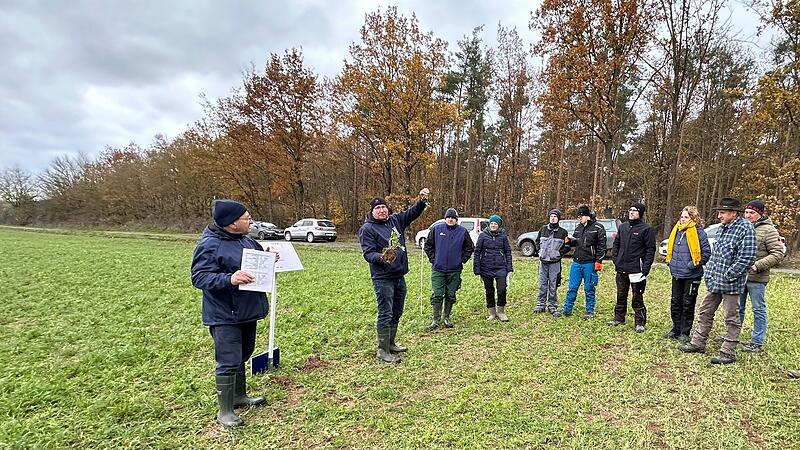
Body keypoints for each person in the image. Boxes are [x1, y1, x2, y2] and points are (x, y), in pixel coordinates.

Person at [191, 199, 279, 427]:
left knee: (243, 353)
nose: (250, 220)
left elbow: (257, 257)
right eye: (246, 217)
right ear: (231, 223)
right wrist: (229, 278)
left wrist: (268, 256)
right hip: (225, 313)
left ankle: (239, 396)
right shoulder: (209, 245)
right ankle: (225, 412)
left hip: (247, 309)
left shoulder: (246, 239)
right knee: (228, 360)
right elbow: (199, 277)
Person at [679, 197, 756, 365]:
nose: (719, 216)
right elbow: (715, 256)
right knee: (705, 312)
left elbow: (747, 257)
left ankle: (728, 352)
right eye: (719, 212)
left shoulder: (746, 228)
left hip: (731, 283)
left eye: (722, 212)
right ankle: (698, 343)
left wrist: (729, 275)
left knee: (731, 318)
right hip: (714, 281)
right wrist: (710, 274)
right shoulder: (721, 229)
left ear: (733, 213)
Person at [359, 188, 430, 364]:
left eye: (384, 207)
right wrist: (381, 257)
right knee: (385, 312)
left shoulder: (396, 220)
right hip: (382, 278)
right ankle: (382, 350)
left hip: (399, 276)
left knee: (397, 311)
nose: (382, 210)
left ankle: (391, 343)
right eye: (378, 208)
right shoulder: (367, 229)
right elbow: (368, 253)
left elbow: (412, 213)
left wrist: (421, 201)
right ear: (372, 211)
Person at [738, 200, 785, 353]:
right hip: (740, 276)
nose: (748, 215)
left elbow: (778, 254)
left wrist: (757, 266)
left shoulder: (769, 230)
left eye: (752, 213)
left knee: (758, 309)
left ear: (760, 213)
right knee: (737, 308)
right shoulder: (742, 228)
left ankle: (757, 342)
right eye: (746, 212)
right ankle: (733, 335)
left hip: (757, 278)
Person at [663, 206, 711, 342]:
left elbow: (706, 253)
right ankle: (675, 328)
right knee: (675, 301)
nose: (683, 219)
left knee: (688, 302)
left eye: (686, 217)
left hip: (692, 274)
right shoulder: (677, 231)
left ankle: (685, 331)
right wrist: (671, 262)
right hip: (676, 273)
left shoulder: (699, 233)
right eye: (682, 217)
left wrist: (693, 264)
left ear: (693, 218)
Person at [608, 202, 656, 332]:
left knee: (637, 296)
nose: (631, 212)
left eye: (634, 210)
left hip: (637, 270)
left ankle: (639, 322)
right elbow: (616, 244)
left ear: (640, 213)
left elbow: (650, 250)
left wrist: (646, 268)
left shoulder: (646, 229)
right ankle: (619, 318)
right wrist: (616, 259)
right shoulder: (623, 227)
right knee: (621, 294)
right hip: (622, 268)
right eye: (630, 210)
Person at [424, 208, 475, 330]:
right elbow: (428, 245)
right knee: (437, 294)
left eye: (453, 218)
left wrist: (461, 260)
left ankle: (446, 317)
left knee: (450, 294)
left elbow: (470, 247)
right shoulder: (437, 229)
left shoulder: (462, 231)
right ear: (445, 218)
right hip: (438, 269)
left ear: (456, 220)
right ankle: (435, 319)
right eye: (448, 217)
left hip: (454, 269)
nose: (450, 219)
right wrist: (433, 259)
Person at [561, 205, 606, 320]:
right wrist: (569, 242)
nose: (579, 219)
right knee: (572, 287)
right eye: (578, 217)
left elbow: (602, 247)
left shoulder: (598, 228)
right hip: (576, 262)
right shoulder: (578, 228)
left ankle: (589, 311)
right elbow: (576, 243)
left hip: (590, 263)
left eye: (580, 216)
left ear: (587, 216)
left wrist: (598, 261)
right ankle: (567, 309)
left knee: (589, 288)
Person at [473, 214, 513, 321]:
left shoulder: (503, 236)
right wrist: (477, 269)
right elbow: (477, 252)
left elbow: (508, 252)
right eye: (492, 223)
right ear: (489, 224)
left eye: (495, 224)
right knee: (489, 290)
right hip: (486, 268)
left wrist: (509, 269)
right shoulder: (483, 236)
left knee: (501, 289)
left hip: (500, 268)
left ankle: (501, 311)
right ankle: (491, 312)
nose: (493, 225)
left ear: (499, 225)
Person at [534, 208, 570, 315]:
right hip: (543, 262)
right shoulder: (543, 229)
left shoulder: (563, 232)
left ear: (558, 218)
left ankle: (552, 305)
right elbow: (537, 242)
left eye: (555, 216)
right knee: (542, 284)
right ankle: (540, 304)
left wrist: (559, 254)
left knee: (553, 284)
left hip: (555, 263)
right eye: (551, 216)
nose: (553, 218)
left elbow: (567, 246)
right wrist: (539, 252)